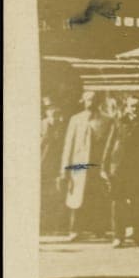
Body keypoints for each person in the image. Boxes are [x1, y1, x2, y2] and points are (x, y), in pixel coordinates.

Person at [102, 95, 139, 247]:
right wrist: (104, 167)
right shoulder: (118, 122)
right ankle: (118, 237)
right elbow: (109, 145)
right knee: (118, 203)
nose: (136, 109)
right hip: (119, 168)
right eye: (133, 106)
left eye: (138, 106)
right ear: (127, 107)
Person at [60, 91, 113, 241]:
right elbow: (68, 145)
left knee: (98, 197)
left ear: (99, 102)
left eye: (94, 100)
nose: (91, 102)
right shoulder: (76, 120)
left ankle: (100, 230)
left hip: (98, 164)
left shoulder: (107, 120)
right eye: (88, 100)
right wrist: (64, 169)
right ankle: (75, 230)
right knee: (77, 197)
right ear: (83, 101)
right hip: (79, 165)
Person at [40, 97, 67, 234]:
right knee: (42, 196)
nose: (54, 114)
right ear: (46, 112)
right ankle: (44, 226)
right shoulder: (41, 125)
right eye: (50, 110)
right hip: (42, 166)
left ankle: (56, 226)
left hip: (56, 167)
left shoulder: (62, 128)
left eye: (57, 112)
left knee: (56, 195)